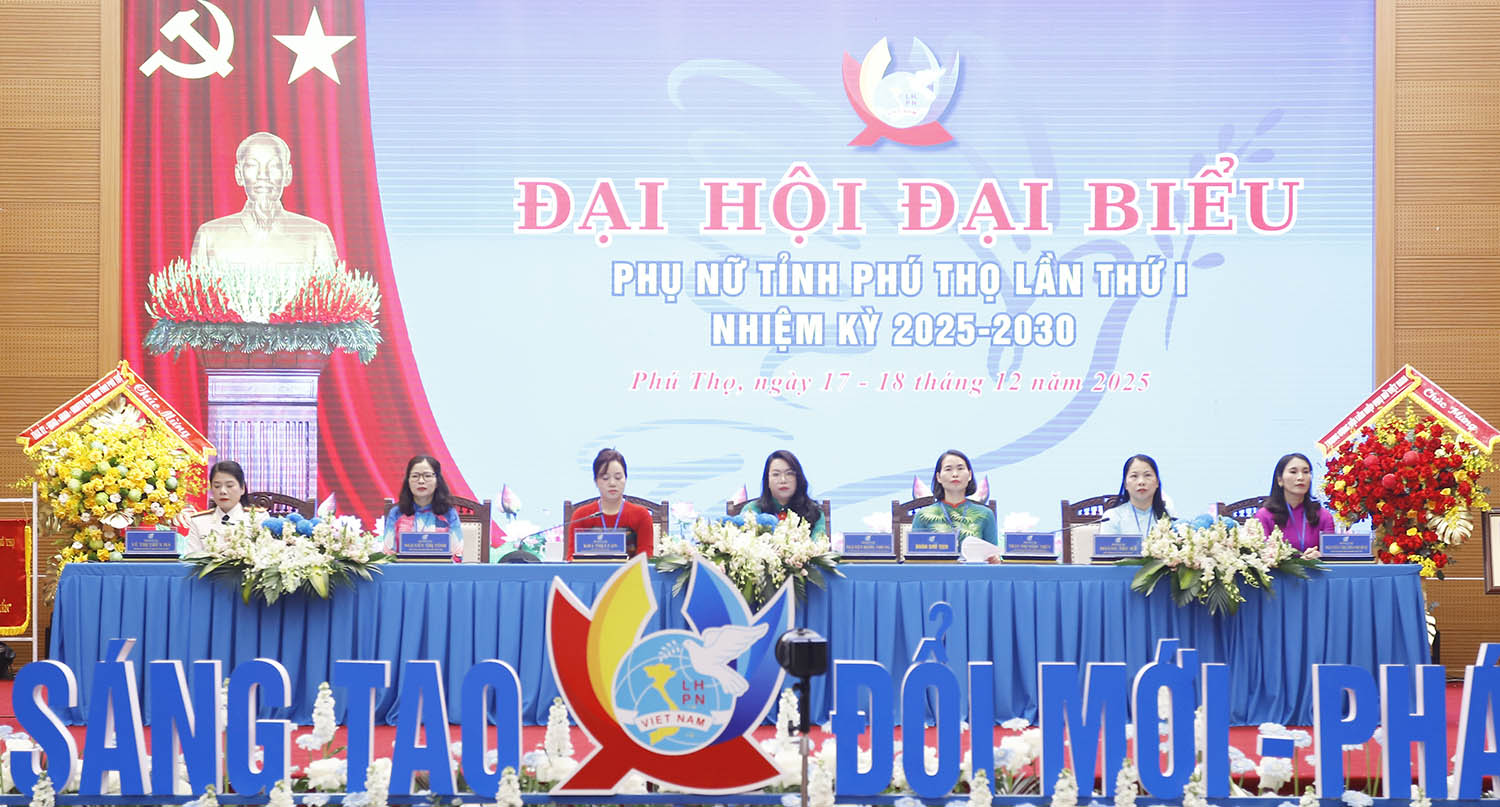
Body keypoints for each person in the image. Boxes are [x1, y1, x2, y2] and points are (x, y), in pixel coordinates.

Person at [565, 448, 656, 560]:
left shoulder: (641, 515)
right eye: (605, 478)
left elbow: (646, 559)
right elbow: (572, 560)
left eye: (618, 477)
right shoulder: (582, 516)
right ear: (596, 481)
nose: (612, 483)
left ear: (626, 479)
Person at [911, 449, 998, 549]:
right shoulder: (923, 515)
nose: (955, 474)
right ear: (938, 477)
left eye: (960, 468)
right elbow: (915, 555)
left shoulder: (985, 514)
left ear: (969, 475)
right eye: (948, 469)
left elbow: (993, 555)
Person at [383, 455, 463, 556]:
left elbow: (457, 554)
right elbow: (388, 553)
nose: (421, 481)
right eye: (415, 476)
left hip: (441, 566)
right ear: (408, 481)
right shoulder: (396, 513)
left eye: (427, 476)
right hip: (404, 566)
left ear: (437, 481)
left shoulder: (449, 513)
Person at [1254, 452, 1335, 551]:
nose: (1301, 477)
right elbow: (1263, 553)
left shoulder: (1323, 516)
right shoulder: (1264, 516)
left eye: (1306, 472)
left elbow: (1330, 553)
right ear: (1280, 480)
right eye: (1293, 472)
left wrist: (1319, 555)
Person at [742, 450, 828, 539]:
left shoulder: (814, 511)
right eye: (776, 474)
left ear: (798, 478)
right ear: (767, 480)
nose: (783, 480)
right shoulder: (752, 510)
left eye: (789, 473)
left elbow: (819, 542)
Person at [179, 460, 255, 555]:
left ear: (242, 488)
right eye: (217, 486)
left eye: (229, 486)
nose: (223, 491)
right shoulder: (199, 521)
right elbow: (191, 559)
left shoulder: (257, 519)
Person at [1100, 454, 1172, 535]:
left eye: (1147, 475)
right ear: (1125, 484)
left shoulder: (1169, 516)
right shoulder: (1112, 517)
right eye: (1134, 476)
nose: (1141, 482)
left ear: (1157, 482)